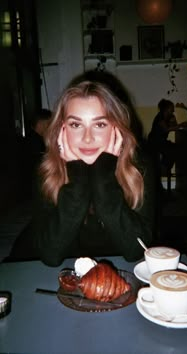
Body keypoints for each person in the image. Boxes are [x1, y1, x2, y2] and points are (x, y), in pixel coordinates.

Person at [9, 72, 157, 267]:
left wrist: (104, 176)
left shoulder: (139, 169)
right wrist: (77, 179)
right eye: (76, 124)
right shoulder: (47, 170)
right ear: (62, 129)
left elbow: (135, 251)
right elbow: (50, 255)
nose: (87, 138)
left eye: (100, 124)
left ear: (117, 128)